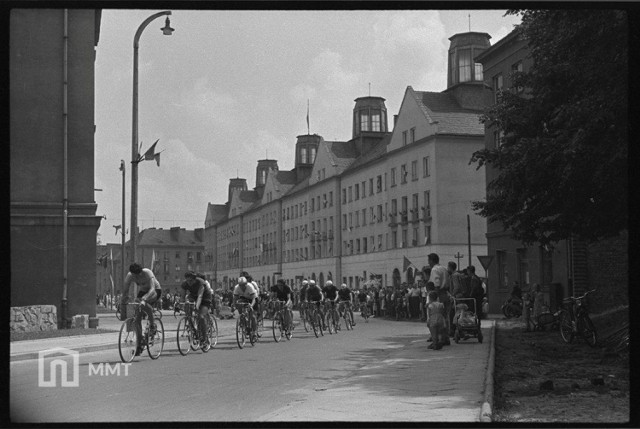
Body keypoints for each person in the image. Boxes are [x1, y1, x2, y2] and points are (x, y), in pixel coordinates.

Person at [121, 262, 162, 356]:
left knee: (143, 304)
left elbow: (152, 288)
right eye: (134, 276)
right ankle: (140, 344)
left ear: (141, 272)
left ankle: (152, 325)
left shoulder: (147, 272)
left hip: (155, 290)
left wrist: (144, 299)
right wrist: (122, 303)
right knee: (137, 318)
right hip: (143, 291)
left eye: (138, 275)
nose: (136, 278)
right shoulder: (130, 276)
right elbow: (125, 290)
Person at [181, 271, 214, 346]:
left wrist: (196, 307)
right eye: (187, 280)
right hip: (193, 296)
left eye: (191, 281)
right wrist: (180, 304)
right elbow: (182, 297)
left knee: (201, 317)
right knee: (188, 309)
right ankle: (193, 329)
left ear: (195, 279)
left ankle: (205, 339)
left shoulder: (200, 283)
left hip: (205, 298)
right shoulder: (184, 284)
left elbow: (200, 296)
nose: (189, 282)